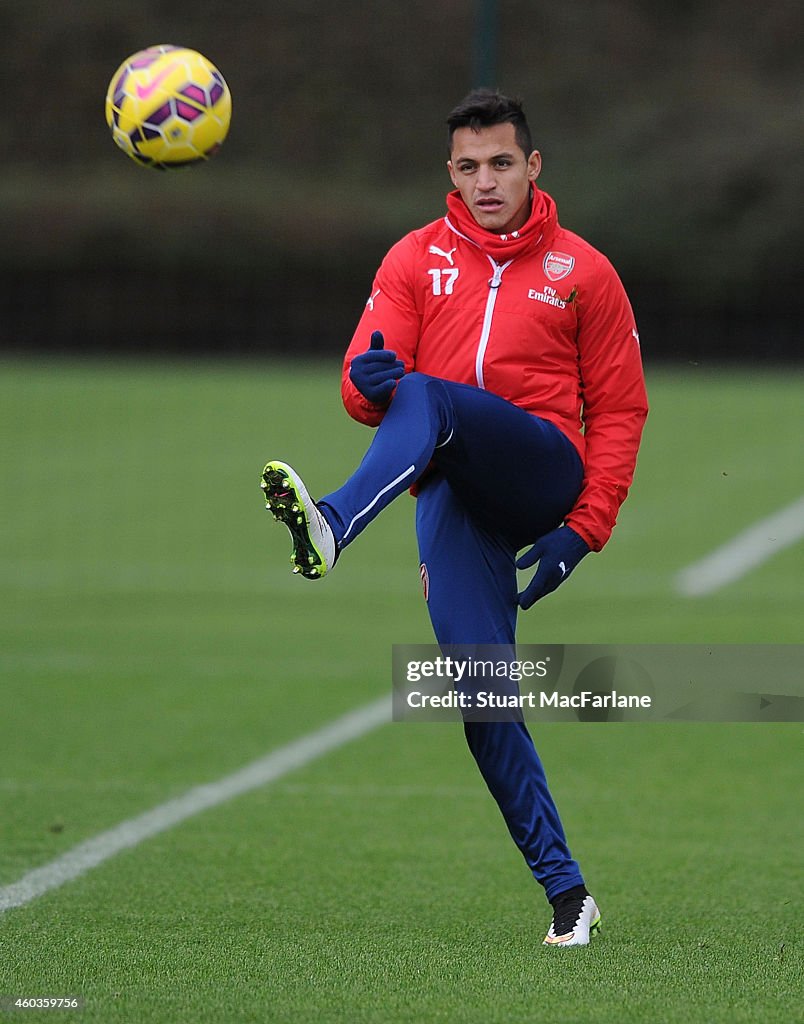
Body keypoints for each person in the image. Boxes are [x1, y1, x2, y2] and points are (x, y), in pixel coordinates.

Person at [260, 89, 648, 947]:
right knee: (478, 691)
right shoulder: (412, 259)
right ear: (450, 173)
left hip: (540, 466)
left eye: (501, 163)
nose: (485, 181)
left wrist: (583, 528)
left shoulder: (583, 271)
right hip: (449, 493)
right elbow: (365, 386)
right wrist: (365, 383)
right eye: (469, 167)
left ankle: (330, 524)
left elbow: (620, 410)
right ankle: (568, 896)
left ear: (533, 166)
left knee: (433, 395)